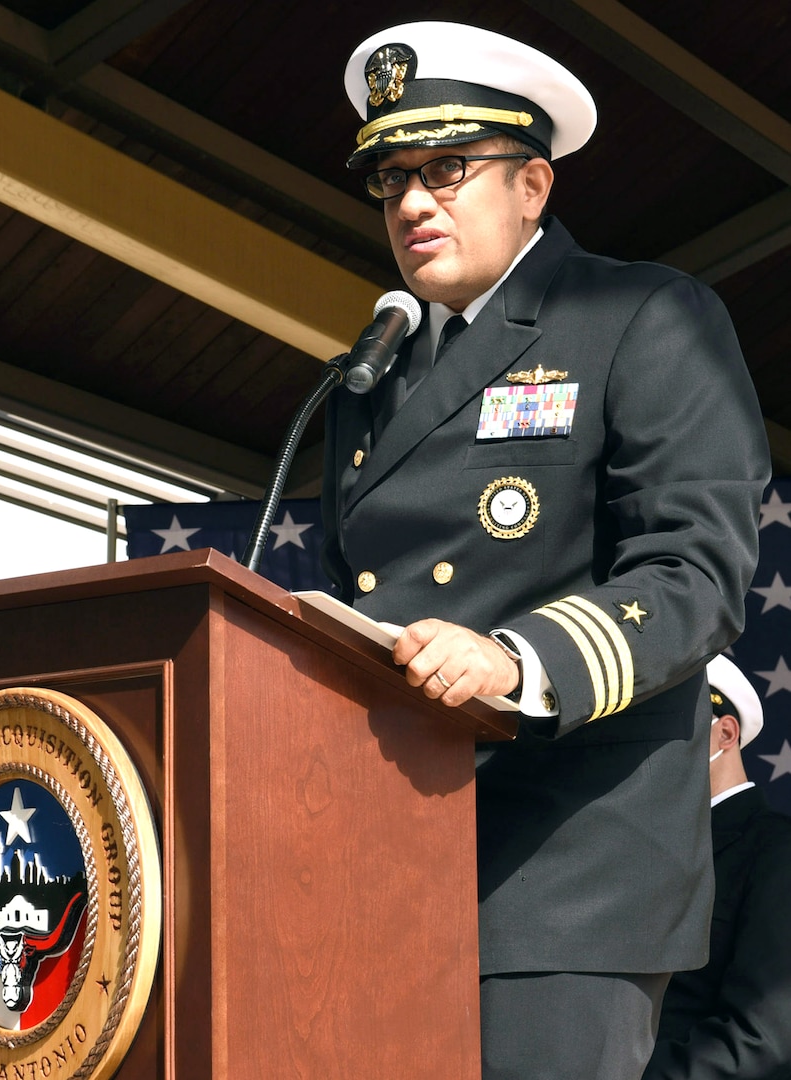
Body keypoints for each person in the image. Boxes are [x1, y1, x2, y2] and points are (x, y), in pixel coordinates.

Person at [320, 20, 772, 1080]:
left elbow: (695, 573)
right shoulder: (368, 377)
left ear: (533, 184)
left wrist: (517, 661)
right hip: (390, 851)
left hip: (572, 870)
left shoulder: (641, 315)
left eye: (445, 169)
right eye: (391, 182)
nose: (414, 204)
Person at [643, 655, 791, 1078]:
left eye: (662, 734)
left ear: (724, 733)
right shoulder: (647, 850)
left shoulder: (776, 851)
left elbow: (765, 1034)